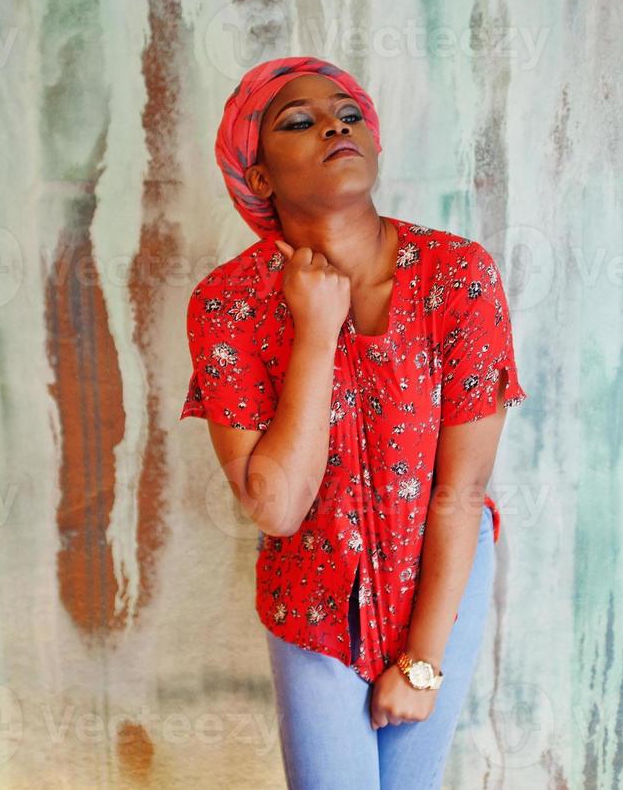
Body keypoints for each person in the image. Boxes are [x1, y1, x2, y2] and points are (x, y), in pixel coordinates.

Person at [180, 55, 527, 789]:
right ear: (261, 176)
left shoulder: (457, 275)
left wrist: (423, 660)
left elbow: (459, 492)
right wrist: (313, 330)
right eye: (298, 121)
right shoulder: (226, 304)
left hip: (441, 573)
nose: (335, 124)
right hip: (311, 594)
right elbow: (276, 508)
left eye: (347, 114)